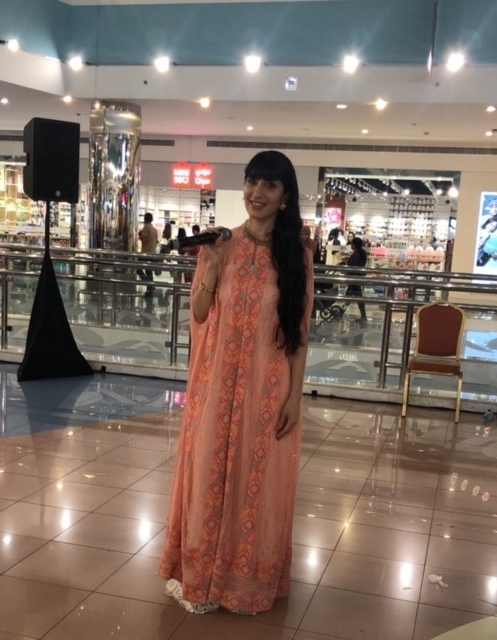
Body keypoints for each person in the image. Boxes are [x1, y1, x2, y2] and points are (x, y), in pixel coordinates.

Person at [159, 150, 314, 615]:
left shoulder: (297, 255)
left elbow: (300, 332)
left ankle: (243, 577)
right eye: (251, 181)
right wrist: (211, 265)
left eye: (269, 184)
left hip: (267, 389)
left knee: (254, 481)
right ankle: (201, 573)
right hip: (216, 384)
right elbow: (200, 313)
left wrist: (294, 396)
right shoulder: (222, 244)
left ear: (285, 196)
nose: (256, 193)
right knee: (207, 472)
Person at [345, 236, 367, 320]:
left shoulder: (355, 255)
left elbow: (352, 267)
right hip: (358, 278)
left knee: (350, 296)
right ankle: (363, 316)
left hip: (353, 278)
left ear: (354, 245)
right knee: (355, 296)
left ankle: (340, 313)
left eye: (352, 244)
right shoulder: (362, 253)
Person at [137, 212, 158, 297]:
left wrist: (140, 234)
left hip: (145, 253)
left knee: (138, 269)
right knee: (149, 272)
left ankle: (149, 284)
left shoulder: (146, 227)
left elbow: (144, 238)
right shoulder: (154, 229)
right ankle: (150, 289)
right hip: (152, 253)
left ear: (145, 219)